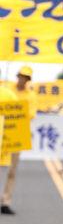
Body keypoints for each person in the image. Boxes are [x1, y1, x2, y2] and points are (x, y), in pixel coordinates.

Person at [0, 72, 19, 215]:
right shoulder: (10, 93)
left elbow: (19, 116)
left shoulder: (9, 94)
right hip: (9, 137)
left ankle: (5, 201)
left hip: (8, 138)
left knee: (10, 171)